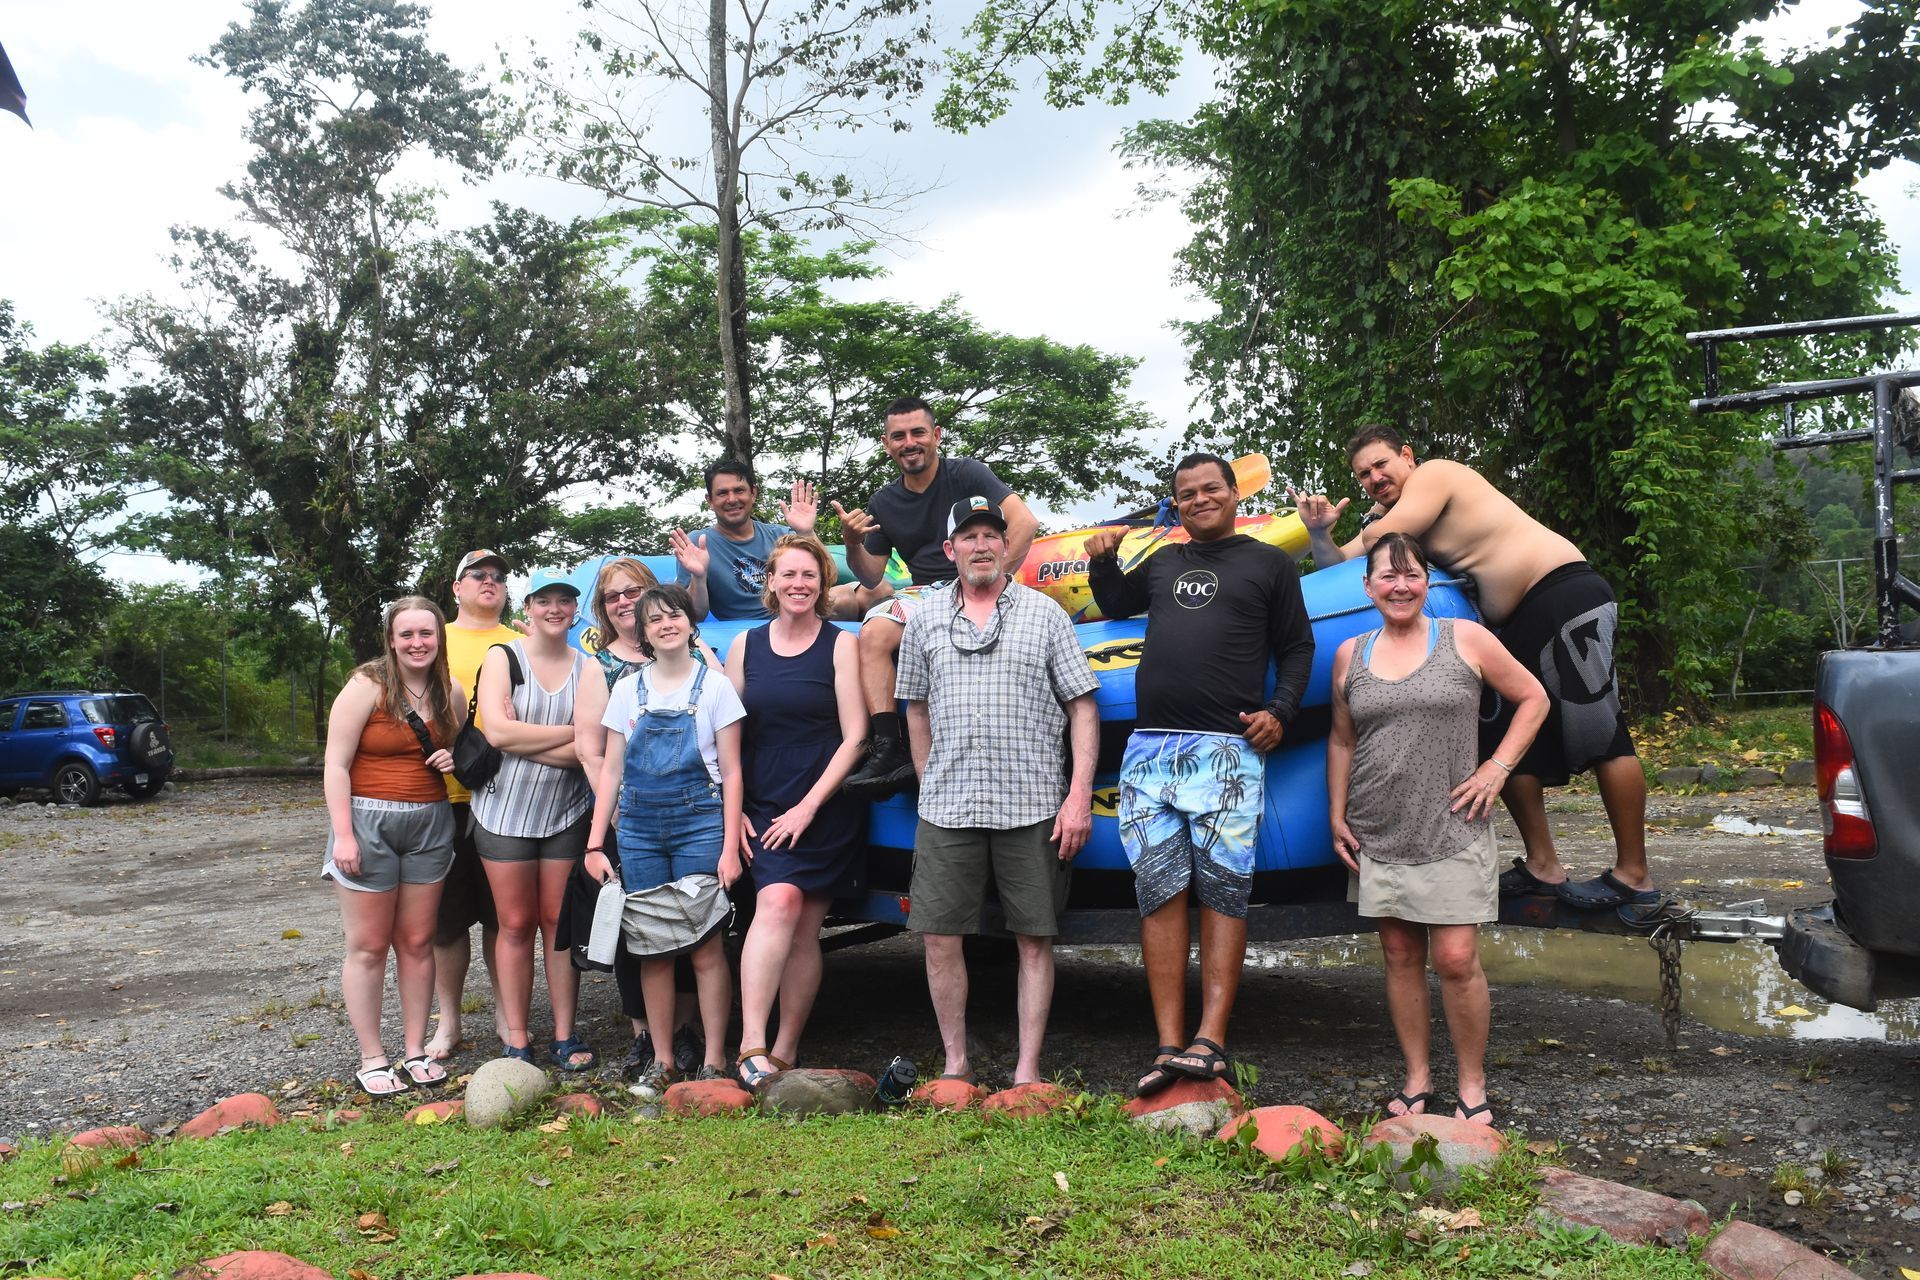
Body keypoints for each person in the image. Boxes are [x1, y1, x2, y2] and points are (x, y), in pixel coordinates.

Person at [1291, 425, 1654, 909]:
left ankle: (1634, 874)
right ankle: (1544, 866)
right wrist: (1319, 532)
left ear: (1408, 455)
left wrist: (1375, 520)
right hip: (1516, 622)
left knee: (1602, 733)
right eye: (1363, 475)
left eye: (1382, 465)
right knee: (1503, 734)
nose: (1374, 478)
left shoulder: (1436, 475)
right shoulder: (1396, 514)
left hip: (1563, 590)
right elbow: (1342, 567)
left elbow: (1387, 538)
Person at [1086, 453, 1315, 1096]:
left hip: (1227, 750)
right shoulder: (1162, 561)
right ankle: (1166, 1043)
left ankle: (1210, 1040)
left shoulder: (1269, 563)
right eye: (1185, 494)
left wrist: (1282, 711)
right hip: (1151, 751)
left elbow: (1297, 647)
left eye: (1210, 489)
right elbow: (1116, 601)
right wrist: (1104, 558)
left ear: (1233, 493)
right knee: (1159, 893)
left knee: (1222, 891)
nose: (1198, 500)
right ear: (1177, 504)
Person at [1328, 533, 1548, 1125]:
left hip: (1454, 823)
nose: (1400, 585)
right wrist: (1335, 814)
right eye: (1387, 576)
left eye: (1412, 574)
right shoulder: (1350, 653)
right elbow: (1343, 739)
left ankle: (1472, 1084)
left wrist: (1497, 768)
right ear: (1367, 585)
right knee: (1400, 955)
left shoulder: (1465, 638)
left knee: (1454, 959)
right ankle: (1417, 1077)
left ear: (1428, 582)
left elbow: (1534, 698)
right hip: (1377, 826)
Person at [896, 497, 1099, 1085]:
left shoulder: (1046, 615)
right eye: (970, 536)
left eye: (992, 535)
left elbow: (1082, 705)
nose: (982, 545)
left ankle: (1027, 1071)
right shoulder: (927, 618)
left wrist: (1078, 794)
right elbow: (915, 709)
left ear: (1006, 546)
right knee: (939, 938)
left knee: (1034, 940)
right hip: (948, 806)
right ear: (949, 549)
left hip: (1032, 803)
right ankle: (956, 1064)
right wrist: (927, 775)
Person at [832, 396, 1039, 798]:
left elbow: (1025, 523)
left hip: (981, 579)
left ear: (936, 436)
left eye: (918, 433)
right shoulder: (883, 501)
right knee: (873, 632)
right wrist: (852, 543)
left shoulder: (968, 474)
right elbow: (871, 575)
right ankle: (889, 744)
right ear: (886, 443)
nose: (909, 442)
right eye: (898, 436)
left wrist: (991, 582)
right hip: (926, 591)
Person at [584, 585, 747, 1090]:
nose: (665, 624)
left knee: (705, 945)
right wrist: (594, 844)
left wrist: (727, 849)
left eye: (673, 614)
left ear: (689, 623)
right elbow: (611, 771)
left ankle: (715, 1059)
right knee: (652, 948)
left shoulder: (716, 688)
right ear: (644, 633)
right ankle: (663, 1060)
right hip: (638, 830)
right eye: (654, 620)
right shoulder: (627, 690)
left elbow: (735, 773)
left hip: (701, 826)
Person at [724, 535, 867, 1089]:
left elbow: (855, 737)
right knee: (778, 901)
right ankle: (751, 1043)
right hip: (763, 799)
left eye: (809, 575)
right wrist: (729, 808)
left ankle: (785, 1051)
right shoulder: (745, 646)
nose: (799, 584)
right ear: (771, 583)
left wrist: (809, 808)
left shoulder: (841, 645)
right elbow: (725, 732)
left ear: (823, 584)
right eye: (788, 575)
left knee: (807, 928)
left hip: (823, 803)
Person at [321, 596, 463, 1097]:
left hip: (429, 824)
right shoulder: (367, 685)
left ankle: (414, 1051)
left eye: (426, 633)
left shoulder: (452, 693)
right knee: (368, 946)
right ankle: (372, 1056)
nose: (417, 643)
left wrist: (450, 759)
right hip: (368, 821)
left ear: (439, 637)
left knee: (418, 943)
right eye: (407, 634)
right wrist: (343, 834)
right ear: (392, 639)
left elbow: (456, 748)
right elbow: (336, 763)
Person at [572, 556, 701, 1079]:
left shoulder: (689, 652)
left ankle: (688, 1033)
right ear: (602, 610)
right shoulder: (599, 666)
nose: (624, 602)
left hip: (691, 814)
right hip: (629, 818)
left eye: (634, 592)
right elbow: (589, 748)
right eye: (612, 597)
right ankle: (645, 1037)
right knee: (637, 930)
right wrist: (616, 815)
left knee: (691, 921)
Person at [470, 570, 595, 1070]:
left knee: (556, 925)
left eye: (565, 600)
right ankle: (517, 1037)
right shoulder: (503, 657)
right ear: (529, 607)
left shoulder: (587, 669)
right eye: (545, 600)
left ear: (575, 609)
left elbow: (591, 748)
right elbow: (497, 735)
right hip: (502, 814)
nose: (555, 609)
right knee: (515, 924)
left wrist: (527, 736)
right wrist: (566, 733)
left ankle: (566, 1034)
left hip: (565, 813)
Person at [425, 550, 521, 1061]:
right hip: (444, 800)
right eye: (478, 575)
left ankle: (510, 1016)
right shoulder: (432, 639)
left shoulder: (523, 642)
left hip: (507, 798)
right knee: (447, 921)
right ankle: (450, 1022)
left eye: (498, 577)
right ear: (457, 587)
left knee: (502, 919)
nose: (490, 582)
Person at [670, 461, 846, 620]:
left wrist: (806, 532)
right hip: (740, 630)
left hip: (794, 616)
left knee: (847, 598)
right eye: (722, 493)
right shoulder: (698, 543)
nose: (732, 499)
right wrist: (699, 577)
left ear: (753, 493)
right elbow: (695, 615)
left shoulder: (780, 535)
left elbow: (830, 578)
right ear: (710, 501)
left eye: (739, 490)